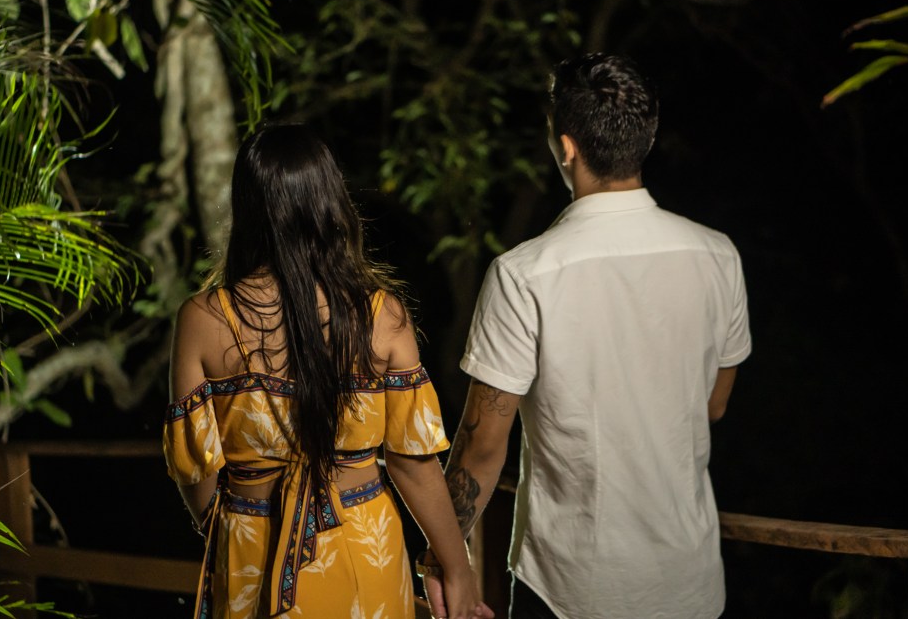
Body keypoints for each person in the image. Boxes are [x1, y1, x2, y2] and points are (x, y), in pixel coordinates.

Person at [424, 53, 752, 618]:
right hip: (691, 583)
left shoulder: (524, 274)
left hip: (569, 591)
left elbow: (482, 448)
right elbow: (715, 404)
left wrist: (445, 563)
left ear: (566, 147)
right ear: (645, 140)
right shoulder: (717, 254)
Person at [164, 124, 494, 619]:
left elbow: (195, 469)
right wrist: (457, 568)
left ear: (247, 208)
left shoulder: (203, 318)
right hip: (365, 541)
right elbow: (412, 464)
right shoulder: (383, 315)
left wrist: (233, 521)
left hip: (252, 543)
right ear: (328, 202)